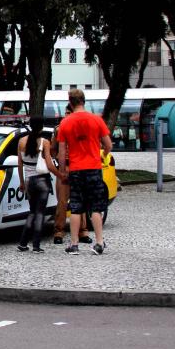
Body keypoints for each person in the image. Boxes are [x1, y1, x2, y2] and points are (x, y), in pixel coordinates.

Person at [57, 89, 113, 256]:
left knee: (75, 207)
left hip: (75, 169)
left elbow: (61, 151)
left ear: (70, 102)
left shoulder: (65, 123)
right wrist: (102, 154)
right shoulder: (96, 120)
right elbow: (108, 145)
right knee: (96, 207)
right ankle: (99, 242)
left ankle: (74, 244)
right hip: (94, 168)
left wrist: (62, 171)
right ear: (84, 101)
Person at [50, 104, 92, 245]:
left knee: (81, 201)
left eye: (70, 112)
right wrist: (59, 164)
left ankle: (83, 231)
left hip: (79, 168)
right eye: (66, 112)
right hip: (64, 169)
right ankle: (59, 232)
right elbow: (52, 150)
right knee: (62, 202)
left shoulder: (82, 129)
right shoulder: (58, 129)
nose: (67, 115)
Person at [16, 117, 59, 253]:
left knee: (32, 212)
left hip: (29, 181)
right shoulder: (44, 142)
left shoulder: (21, 141)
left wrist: (22, 183)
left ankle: (23, 242)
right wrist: (61, 175)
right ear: (41, 127)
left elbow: (19, 164)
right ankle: (36, 245)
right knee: (40, 213)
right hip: (42, 181)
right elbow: (49, 165)